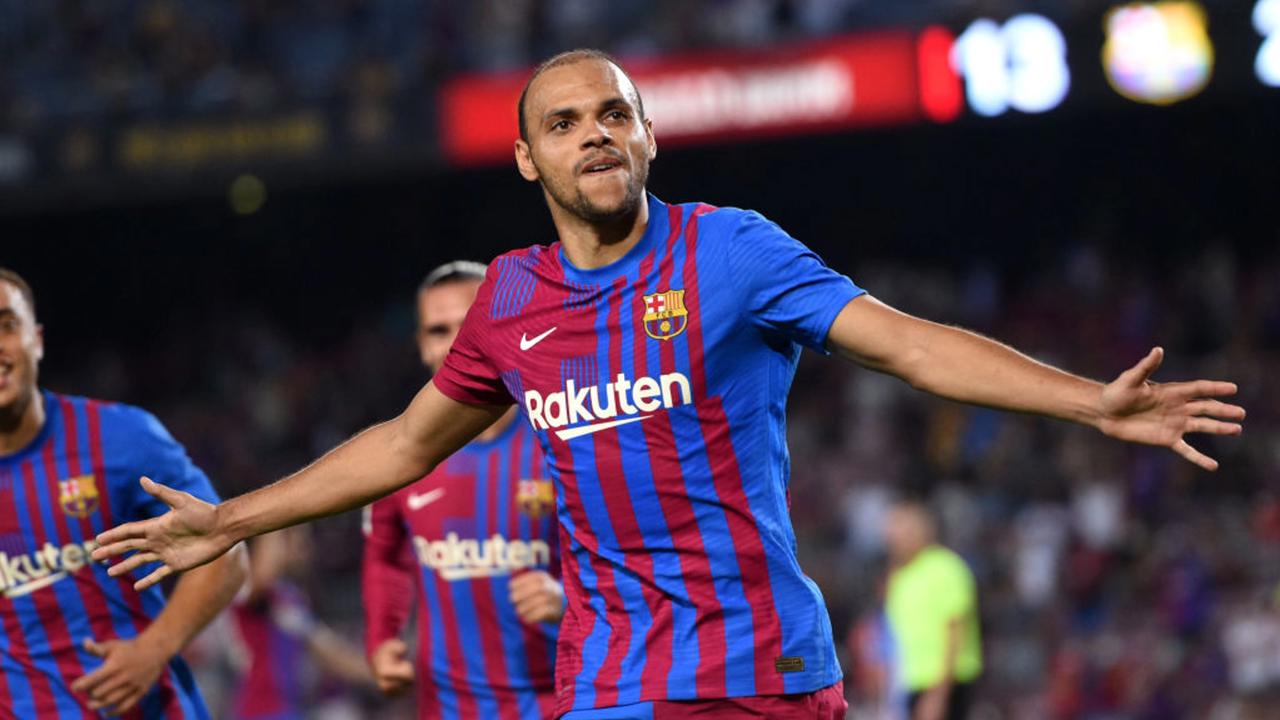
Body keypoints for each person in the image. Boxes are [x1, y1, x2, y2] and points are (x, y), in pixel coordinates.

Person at [93, 49, 1245, 720]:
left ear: (647, 136)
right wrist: (230, 519)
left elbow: (902, 343)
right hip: (605, 681)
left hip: (759, 668)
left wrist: (1087, 400)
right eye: (564, 124)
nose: (593, 135)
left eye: (612, 116)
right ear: (526, 158)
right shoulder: (508, 299)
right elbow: (403, 446)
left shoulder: (730, 252)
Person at [0, 266, 246, 718]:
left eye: (7, 325)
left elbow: (226, 550)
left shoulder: (119, 436)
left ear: (37, 339)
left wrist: (155, 648)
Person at [362, 261, 562, 719]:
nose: (455, 343)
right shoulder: (395, 456)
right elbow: (384, 554)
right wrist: (382, 637)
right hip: (446, 708)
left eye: (468, 323)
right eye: (438, 330)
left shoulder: (562, 439)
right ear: (421, 346)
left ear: (502, 329)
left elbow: (623, 556)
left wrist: (565, 598)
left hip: (561, 701)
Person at [231, 527, 374, 720]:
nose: (306, 547)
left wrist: (381, 672)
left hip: (290, 709)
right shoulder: (250, 591)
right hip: (257, 711)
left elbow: (331, 653)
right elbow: (264, 574)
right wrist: (274, 519)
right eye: (299, 540)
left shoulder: (291, 598)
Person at [883, 500, 980, 720]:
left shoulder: (945, 568)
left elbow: (955, 631)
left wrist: (938, 694)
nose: (893, 538)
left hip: (945, 684)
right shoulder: (900, 577)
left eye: (901, 530)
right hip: (912, 682)